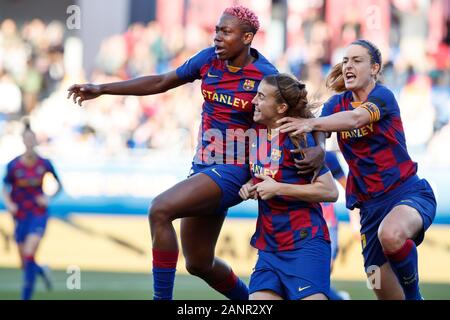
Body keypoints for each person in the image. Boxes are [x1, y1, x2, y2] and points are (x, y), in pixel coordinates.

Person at [68, 5, 325, 300]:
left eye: (225, 32)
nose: (217, 37)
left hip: (234, 169)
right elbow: (162, 81)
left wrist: (320, 148)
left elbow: (302, 111)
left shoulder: (265, 76)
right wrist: (102, 88)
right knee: (199, 263)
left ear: (247, 38)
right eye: (216, 30)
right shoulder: (208, 60)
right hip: (203, 166)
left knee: (160, 209)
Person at [277, 40, 437, 300]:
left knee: (391, 234)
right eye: (345, 60)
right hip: (369, 210)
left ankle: (414, 296)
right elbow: (321, 135)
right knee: (375, 279)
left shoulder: (382, 96)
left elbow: (357, 118)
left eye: (357, 60)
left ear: (374, 68)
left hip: (406, 193)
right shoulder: (334, 105)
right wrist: (317, 148)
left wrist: (309, 124)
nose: (348, 65)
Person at [239, 73, 338, 300]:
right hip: (270, 248)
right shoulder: (257, 135)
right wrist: (250, 185)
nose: (254, 101)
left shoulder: (298, 139)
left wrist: (278, 188)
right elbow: (266, 176)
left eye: (261, 97)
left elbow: (329, 191)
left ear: (282, 107)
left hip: (305, 245)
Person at [2, 121, 62, 300]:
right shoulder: (13, 165)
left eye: (32, 139)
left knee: (29, 252)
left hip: (38, 213)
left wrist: (48, 198)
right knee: (24, 262)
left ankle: (25, 297)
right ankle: (42, 270)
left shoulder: (44, 163)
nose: (29, 142)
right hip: (19, 215)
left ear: (35, 141)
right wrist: (9, 204)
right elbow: (4, 188)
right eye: (26, 139)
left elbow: (59, 185)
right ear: (22, 140)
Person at [321, 151, 360, 300]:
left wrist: (355, 222)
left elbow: (350, 190)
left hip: (327, 223)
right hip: (299, 223)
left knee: (324, 270)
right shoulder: (286, 152)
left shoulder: (328, 157)